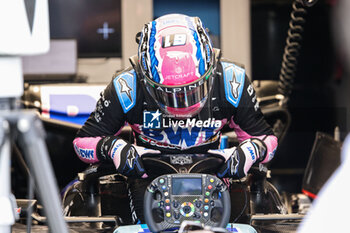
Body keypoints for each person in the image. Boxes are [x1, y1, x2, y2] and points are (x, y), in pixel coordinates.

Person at [73, 13, 277, 220]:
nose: (182, 101)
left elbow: (267, 140)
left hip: (215, 174)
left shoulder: (232, 80)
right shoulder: (127, 86)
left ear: (210, 65)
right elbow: (82, 143)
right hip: (146, 176)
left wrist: (252, 150)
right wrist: (113, 148)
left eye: (192, 90)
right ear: (145, 77)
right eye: (169, 93)